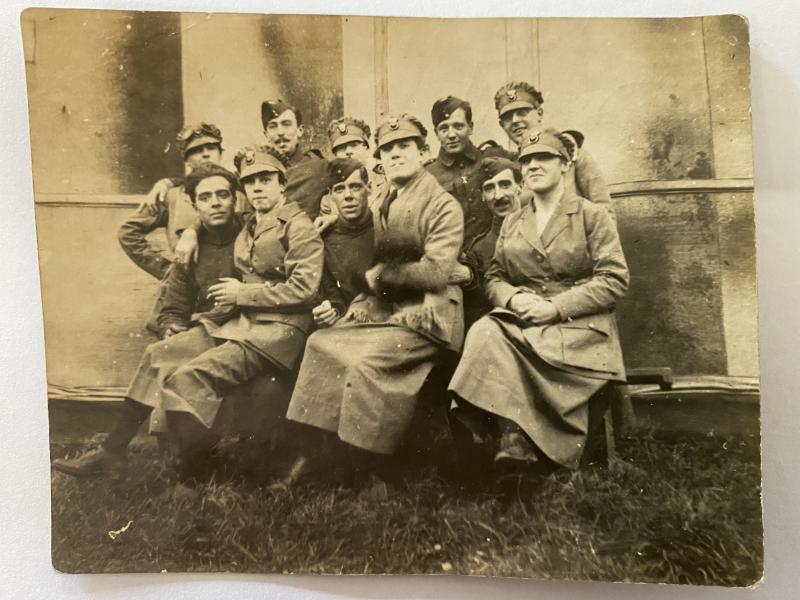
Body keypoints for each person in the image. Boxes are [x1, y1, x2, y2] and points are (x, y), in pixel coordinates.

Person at [52, 147, 324, 477]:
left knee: (188, 377)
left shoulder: (254, 223)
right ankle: (112, 452)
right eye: (251, 182)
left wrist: (240, 293)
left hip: (259, 329)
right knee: (157, 353)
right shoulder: (241, 225)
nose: (217, 202)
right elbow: (178, 289)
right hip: (232, 325)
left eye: (224, 194)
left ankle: (194, 467)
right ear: (196, 205)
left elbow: (299, 281)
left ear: (280, 185)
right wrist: (191, 231)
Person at [284, 113, 464, 466]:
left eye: (404, 146)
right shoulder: (386, 203)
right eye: (387, 149)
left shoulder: (442, 204)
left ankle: (369, 461)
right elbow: (383, 261)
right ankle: (317, 450)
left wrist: (375, 281)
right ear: (379, 158)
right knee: (321, 342)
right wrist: (367, 298)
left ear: (424, 152)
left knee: (366, 361)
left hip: (429, 315)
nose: (395, 154)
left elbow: (436, 272)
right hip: (389, 308)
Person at [448, 129, 629, 475]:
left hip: (580, 324)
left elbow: (614, 279)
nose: (533, 165)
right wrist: (513, 297)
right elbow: (495, 276)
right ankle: (512, 439)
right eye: (527, 160)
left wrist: (556, 307)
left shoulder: (591, 215)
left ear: (564, 164)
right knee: (487, 330)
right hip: (528, 315)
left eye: (543, 157)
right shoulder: (515, 219)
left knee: (516, 345)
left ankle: (531, 445)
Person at [118, 122, 248, 334]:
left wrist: (192, 230)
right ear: (186, 159)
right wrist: (166, 268)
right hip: (185, 290)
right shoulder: (171, 195)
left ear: (220, 152)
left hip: (231, 287)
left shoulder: (239, 190)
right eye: (196, 151)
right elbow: (127, 232)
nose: (205, 155)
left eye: (211, 148)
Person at [492, 81, 615, 221]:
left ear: (539, 113)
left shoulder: (572, 154)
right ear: (502, 125)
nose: (515, 121)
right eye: (507, 118)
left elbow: (604, 211)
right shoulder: (510, 167)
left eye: (522, 113)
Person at [426, 96, 498, 250]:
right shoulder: (427, 176)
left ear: (470, 127)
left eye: (458, 126)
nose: (451, 135)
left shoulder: (493, 157)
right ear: (436, 133)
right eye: (444, 128)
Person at [460, 156, 524, 328]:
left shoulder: (544, 228)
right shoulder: (479, 250)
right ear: (482, 196)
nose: (498, 196)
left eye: (505, 185)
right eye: (489, 188)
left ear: (521, 187)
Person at [313, 158, 376, 327]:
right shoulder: (325, 241)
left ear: (368, 188)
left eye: (355, 187)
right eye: (339, 189)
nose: (348, 196)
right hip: (350, 321)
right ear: (331, 195)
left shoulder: (387, 228)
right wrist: (332, 311)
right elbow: (335, 297)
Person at [315, 117, 389, 232]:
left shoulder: (386, 180)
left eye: (354, 145)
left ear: (366, 148)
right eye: (341, 148)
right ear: (335, 156)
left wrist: (337, 219)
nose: (348, 151)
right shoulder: (328, 198)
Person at [261, 99, 329, 220]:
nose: (280, 132)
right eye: (273, 126)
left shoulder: (320, 168)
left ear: (300, 130)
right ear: (266, 135)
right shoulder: (258, 173)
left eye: (286, 124)